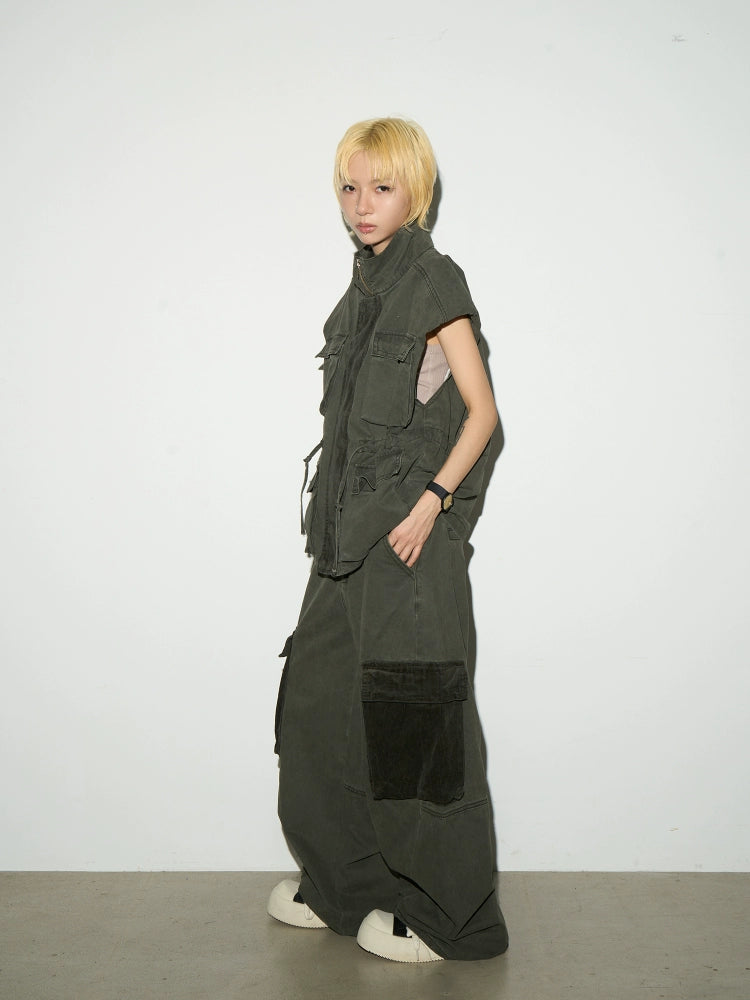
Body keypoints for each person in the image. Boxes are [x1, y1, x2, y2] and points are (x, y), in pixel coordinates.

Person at [268, 117, 509, 963]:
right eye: (349, 187)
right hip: (345, 547)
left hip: (407, 549)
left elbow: (483, 414)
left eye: (381, 187)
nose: (361, 204)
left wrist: (434, 502)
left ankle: (447, 918)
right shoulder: (359, 293)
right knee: (319, 711)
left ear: (416, 192)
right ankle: (346, 887)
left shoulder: (433, 281)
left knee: (415, 728)